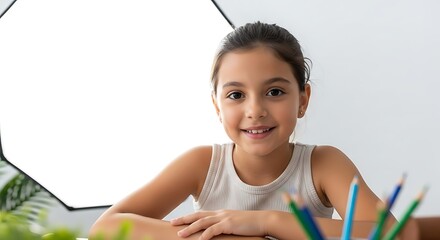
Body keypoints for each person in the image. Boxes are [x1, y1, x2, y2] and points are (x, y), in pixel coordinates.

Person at [89, 21, 393, 240]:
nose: (255, 110)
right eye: (236, 95)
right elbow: (106, 227)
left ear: (303, 100)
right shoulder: (202, 164)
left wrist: (267, 222)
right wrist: (220, 236)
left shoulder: (324, 164)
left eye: (274, 92)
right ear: (217, 106)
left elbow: (394, 234)